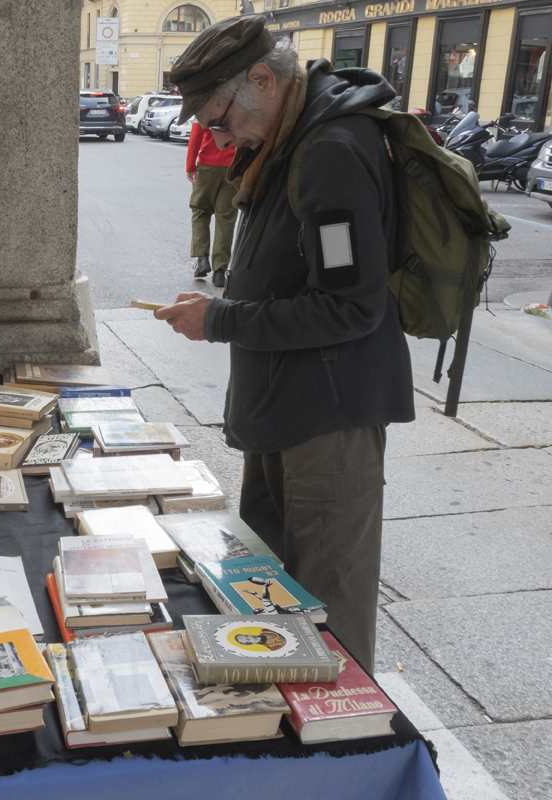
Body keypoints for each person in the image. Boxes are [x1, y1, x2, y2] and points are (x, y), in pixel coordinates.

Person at [154, 15, 415, 672]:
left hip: (327, 419)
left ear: (263, 80)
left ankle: (341, 749)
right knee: (269, 590)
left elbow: (352, 305)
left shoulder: (328, 150)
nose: (212, 136)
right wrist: (224, 310)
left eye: (215, 117)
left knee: (328, 607)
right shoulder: (290, 135)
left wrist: (221, 320)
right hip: (287, 409)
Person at [185, 121, 237, 286]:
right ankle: (220, 271)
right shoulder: (238, 103)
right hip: (232, 168)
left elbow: (196, 135)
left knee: (200, 210)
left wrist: (190, 165)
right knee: (226, 218)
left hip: (207, 167)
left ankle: (202, 259)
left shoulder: (208, 101)